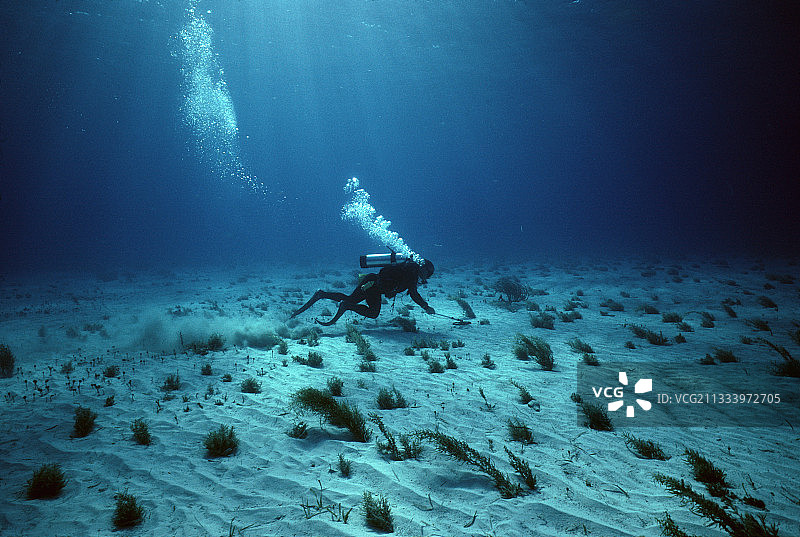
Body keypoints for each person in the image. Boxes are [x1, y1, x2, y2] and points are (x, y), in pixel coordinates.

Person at [290, 259, 435, 326]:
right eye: (426, 275)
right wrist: (426, 307)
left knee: (352, 299)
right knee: (371, 312)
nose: (425, 278)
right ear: (423, 270)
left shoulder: (408, 270)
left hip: (372, 283)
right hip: (372, 285)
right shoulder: (411, 274)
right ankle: (343, 305)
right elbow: (414, 295)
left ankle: (322, 294)